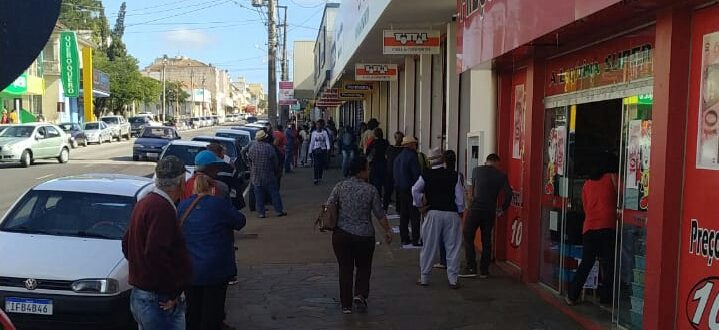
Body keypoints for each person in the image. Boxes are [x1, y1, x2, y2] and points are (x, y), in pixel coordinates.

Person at [122, 156, 192, 329]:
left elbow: (126, 243)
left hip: (144, 295)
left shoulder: (145, 202)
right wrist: (172, 292)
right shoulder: (162, 209)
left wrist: (141, 268)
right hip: (158, 299)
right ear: (181, 181)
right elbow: (156, 253)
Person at [179, 173, 246, 330]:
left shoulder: (183, 206)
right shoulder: (219, 204)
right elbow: (240, 221)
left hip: (190, 268)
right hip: (215, 268)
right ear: (213, 189)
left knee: (193, 311)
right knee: (212, 311)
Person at [326, 156, 392, 314]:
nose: (369, 171)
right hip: (364, 236)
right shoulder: (370, 190)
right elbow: (379, 214)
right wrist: (387, 231)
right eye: (367, 168)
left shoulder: (340, 186)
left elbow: (329, 205)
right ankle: (360, 295)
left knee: (345, 268)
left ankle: (346, 305)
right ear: (361, 171)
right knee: (363, 266)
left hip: (342, 235)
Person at [566, 157, 617, 306]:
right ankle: (606, 299)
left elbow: (586, 207)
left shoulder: (587, 184)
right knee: (608, 264)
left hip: (589, 227)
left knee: (586, 263)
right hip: (607, 226)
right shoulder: (612, 178)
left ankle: (572, 295)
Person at [412, 148, 465, 289]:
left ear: (429, 161)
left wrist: (419, 205)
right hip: (451, 213)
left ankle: (424, 277)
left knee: (429, 245)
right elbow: (460, 198)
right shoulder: (455, 175)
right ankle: (453, 279)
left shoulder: (426, 174)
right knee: (453, 247)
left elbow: (415, 189)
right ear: (443, 160)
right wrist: (460, 210)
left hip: (433, 212)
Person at [460, 154, 512, 279]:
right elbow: (508, 194)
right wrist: (502, 209)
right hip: (490, 211)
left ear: (487, 161)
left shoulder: (476, 170)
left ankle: (471, 266)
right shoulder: (501, 176)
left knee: (468, 234)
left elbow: (473, 189)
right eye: (498, 165)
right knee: (486, 239)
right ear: (495, 162)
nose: (499, 167)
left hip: (475, 209)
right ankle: (484, 270)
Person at [247, 130, 286, 218]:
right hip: (268, 175)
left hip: (256, 175)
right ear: (264, 138)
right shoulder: (269, 148)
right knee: (274, 193)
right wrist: (275, 170)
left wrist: (252, 168)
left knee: (259, 195)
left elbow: (249, 160)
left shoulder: (252, 148)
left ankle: (261, 213)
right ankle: (279, 211)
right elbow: (275, 161)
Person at [434, 150, 463, 269]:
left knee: (441, 237)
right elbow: (460, 196)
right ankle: (452, 263)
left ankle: (443, 261)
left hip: (438, 209)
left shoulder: (437, 174)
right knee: (453, 239)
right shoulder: (458, 175)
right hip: (453, 211)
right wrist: (460, 211)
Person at [393, 136, 422, 247]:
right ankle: (415, 238)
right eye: (415, 144)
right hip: (411, 189)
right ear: (410, 145)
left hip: (400, 189)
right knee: (414, 214)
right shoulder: (412, 157)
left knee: (403, 215)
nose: (416, 146)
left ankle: (404, 238)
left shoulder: (398, 157)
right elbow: (417, 175)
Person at [384, 131, 404, 210]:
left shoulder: (390, 148)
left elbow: (386, 157)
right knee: (398, 192)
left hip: (390, 171)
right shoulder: (404, 150)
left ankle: (385, 207)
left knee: (388, 191)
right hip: (399, 173)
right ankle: (398, 209)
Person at [366, 128, 389, 195]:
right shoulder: (386, 142)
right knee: (383, 179)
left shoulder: (373, 142)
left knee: (376, 180)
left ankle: (376, 194)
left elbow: (368, 152)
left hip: (374, 163)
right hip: (384, 163)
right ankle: (384, 195)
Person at [309, 119, 331, 185]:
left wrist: (328, 148)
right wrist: (310, 151)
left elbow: (327, 140)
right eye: (317, 125)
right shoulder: (313, 133)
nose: (318, 126)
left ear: (322, 126)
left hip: (322, 150)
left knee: (321, 164)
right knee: (316, 164)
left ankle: (320, 177)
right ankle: (315, 178)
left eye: (319, 125)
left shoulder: (324, 132)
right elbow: (312, 142)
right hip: (315, 150)